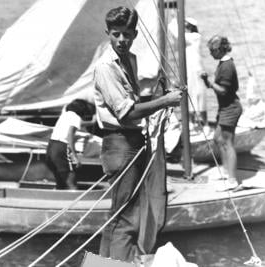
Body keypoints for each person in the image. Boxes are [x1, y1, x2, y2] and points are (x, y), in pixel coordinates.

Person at [93, 6, 182, 262]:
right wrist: (165, 102)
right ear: (108, 33)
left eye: (127, 35)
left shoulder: (130, 60)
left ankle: (102, 264)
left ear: (134, 34)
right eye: (116, 34)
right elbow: (127, 113)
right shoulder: (105, 67)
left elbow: (133, 100)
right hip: (119, 145)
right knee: (126, 219)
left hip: (134, 142)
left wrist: (161, 95)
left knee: (118, 215)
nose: (121, 40)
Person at [201, 35, 243, 191]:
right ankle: (226, 172)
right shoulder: (222, 63)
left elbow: (224, 91)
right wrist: (207, 81)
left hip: (230, 108)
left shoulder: (227, 66)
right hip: (225, 108)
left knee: (227, 142)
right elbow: (216, 88)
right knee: (218, 139)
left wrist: (211, 83)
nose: (210, 53)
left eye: (212, 50)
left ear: (219, 49)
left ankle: (232, 181)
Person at [168, 17, 209, 133]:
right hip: (187, 70)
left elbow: (176, 34)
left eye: (185, 26)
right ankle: (191, 122)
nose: (183, 28)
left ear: (190, 27)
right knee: (189, 94)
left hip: (196, 70)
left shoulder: (195, 37)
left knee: (200, 96)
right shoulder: (186, 39)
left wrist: (173, 20)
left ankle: (204, 124)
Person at [46, 99, 95, 190]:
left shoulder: (65, 115)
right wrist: (75, 156)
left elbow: (77, 124)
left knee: (60, 180)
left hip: (51, 146)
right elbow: (70, 137)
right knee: (70, 179)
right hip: (61, 147)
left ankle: (58, 197)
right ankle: (75, 198)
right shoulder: (76, 117)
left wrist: (92, 122)